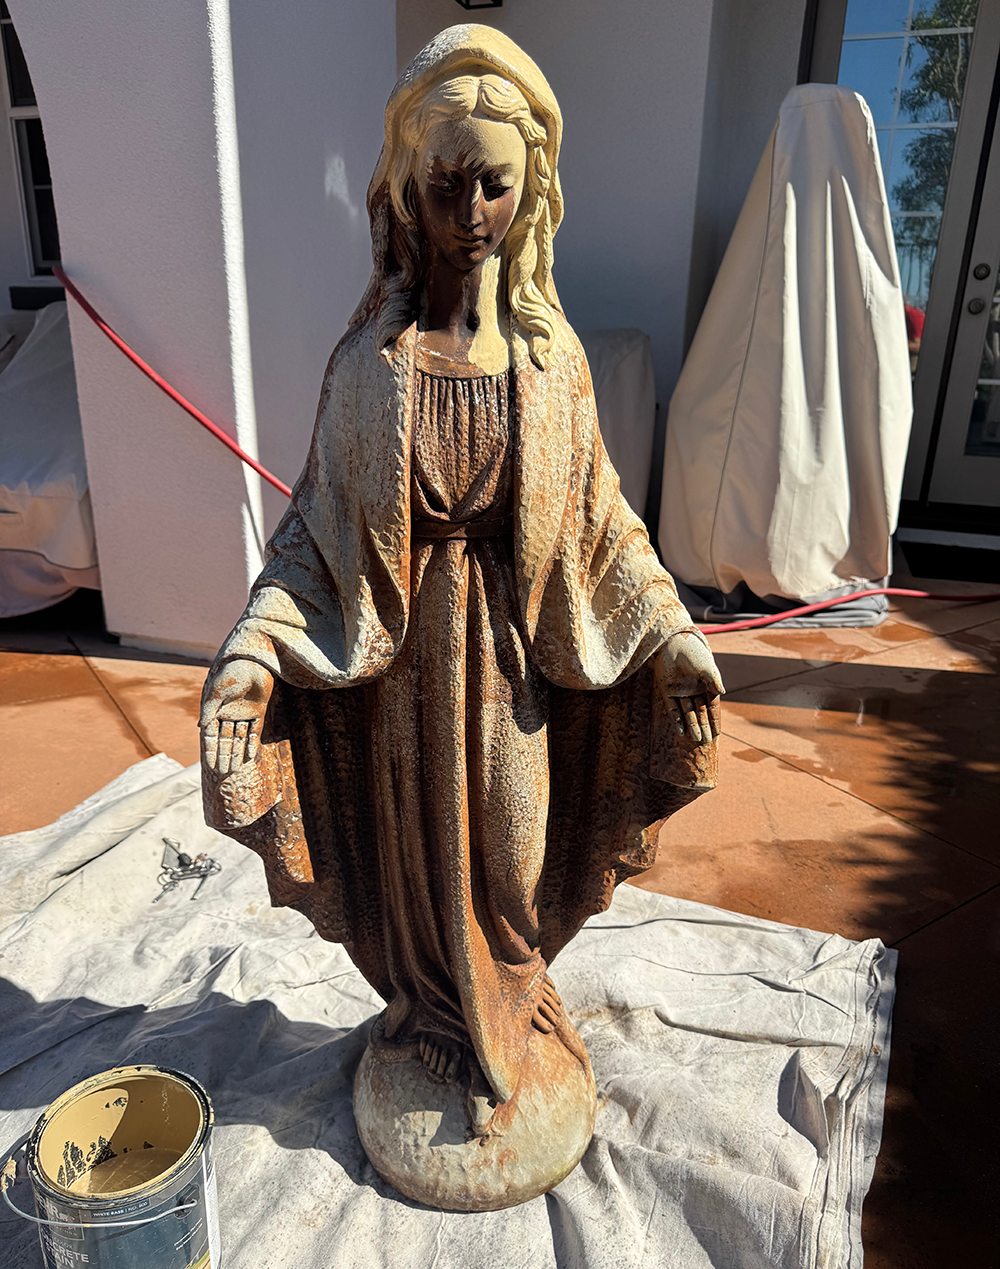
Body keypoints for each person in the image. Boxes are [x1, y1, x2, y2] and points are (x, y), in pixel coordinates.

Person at [199, 25, 722, 1128]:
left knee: (511, 863)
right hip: (401, 682)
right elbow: (309, 534)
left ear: (531, 195)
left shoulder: (552, 365)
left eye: (496, 184)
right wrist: (251, 656)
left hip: (514, 674)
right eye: (447, 185)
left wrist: (670, 632)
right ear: (405, 190)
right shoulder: (366, 371)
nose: (471, 211)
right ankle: (436, 1025)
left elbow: (605, 526)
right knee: (417, 877)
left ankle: (513, 1014)